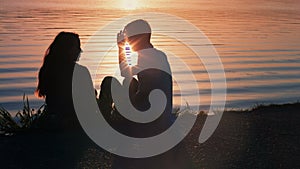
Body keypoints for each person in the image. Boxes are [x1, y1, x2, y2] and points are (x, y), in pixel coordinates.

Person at [35, 31, 85, 131]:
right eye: (77, 47)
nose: (80, 50)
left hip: (55, 117)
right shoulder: (79, 71)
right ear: (68, 50)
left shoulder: (47, 69)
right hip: (77, 120)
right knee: (108, 82)